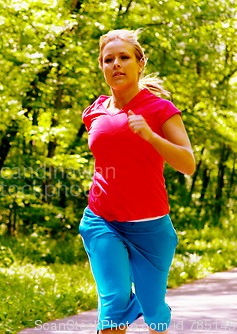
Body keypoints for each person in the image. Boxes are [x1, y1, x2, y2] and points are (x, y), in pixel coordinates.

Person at [79, 29, 195, 334]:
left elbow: (187, 164)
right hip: (102, 220)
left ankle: (154, 308)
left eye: (124, 57)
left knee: (154, 312)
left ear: (139, 63)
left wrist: (151, 137)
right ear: (102, 67)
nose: (116, 64)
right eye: (108, 59)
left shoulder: (161, 111)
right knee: (114, 300)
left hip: (150, 227)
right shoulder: (94, 112)